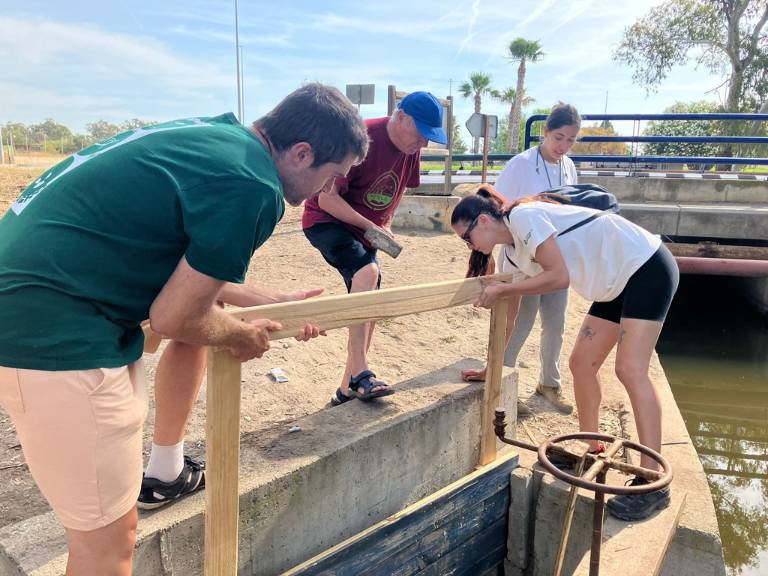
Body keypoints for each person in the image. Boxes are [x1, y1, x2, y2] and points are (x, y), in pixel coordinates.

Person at [0, 83, 369, 575]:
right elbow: (178, 317)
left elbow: (188, 276)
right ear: (302, 153)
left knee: (109, 529)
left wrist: (275, 303)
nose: (327, 191)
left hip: (42, 301)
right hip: (57, 334)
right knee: (107, 548)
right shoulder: (255, 186)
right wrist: (243, 336)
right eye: (331, 176)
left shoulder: (219, 139)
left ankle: (164, 470)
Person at [450, 185, 679, 521]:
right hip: (616, 282)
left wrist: (505, 288)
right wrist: (493, 364)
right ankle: (593, 448)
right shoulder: (512, 254)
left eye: (466, 238)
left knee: (630, 370)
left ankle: (653, 483)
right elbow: (510, 311)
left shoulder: (523, 216)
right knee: (581, 363)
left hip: (645, 266)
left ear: (483, 220)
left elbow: (558, 276)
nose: (469, 246)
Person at [302, 91, 448, 405]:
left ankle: (346, 389)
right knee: (366, 272)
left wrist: (386, 226)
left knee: (370, 299)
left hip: (365, 231)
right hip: (326, 221)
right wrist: (370, 227)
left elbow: (393, 196)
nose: (423, 144)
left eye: (428, 139)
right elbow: (326, 199)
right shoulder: (361, 137)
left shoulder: (411, 150)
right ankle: (361, 373)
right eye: (421, 135)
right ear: (402, 117)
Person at [474, 102, 581, 415]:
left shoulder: (569, 167)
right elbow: (495, 209)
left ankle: (549, 383)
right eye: (558, 137)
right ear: (545, 132)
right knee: (520, 321)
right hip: (523, 258)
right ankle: (504, 381)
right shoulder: (521, 164)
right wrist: (490, 257)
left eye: (570, 140)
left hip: (555, 258)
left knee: (555, 323)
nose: (563, 146)